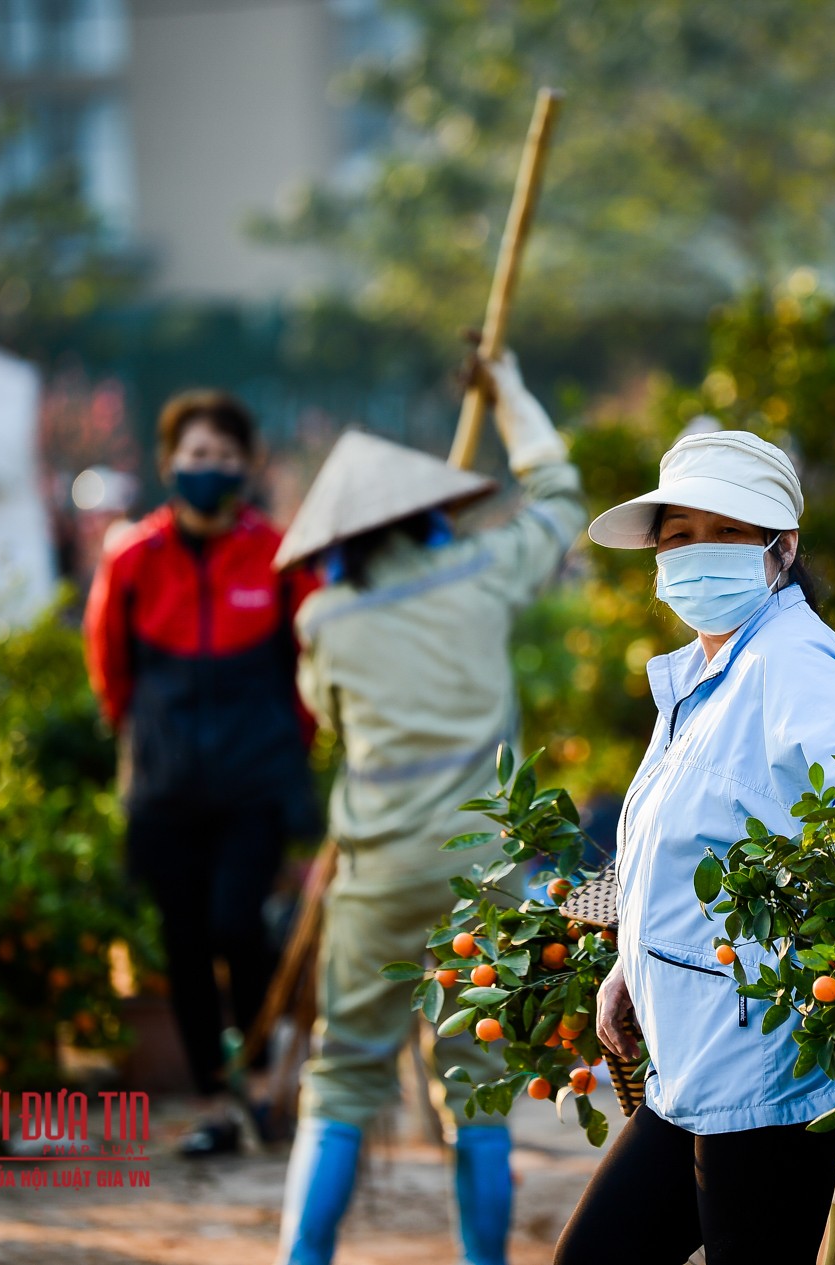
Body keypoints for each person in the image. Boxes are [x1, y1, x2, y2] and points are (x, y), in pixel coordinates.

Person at [555, 430, 835, 1265]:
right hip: (694, 1065)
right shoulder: (699, 675)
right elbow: (686, 846)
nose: (696, 553)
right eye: (679, 535)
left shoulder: (791, 663)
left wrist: (813, 954)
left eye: (725, 532)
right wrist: (628, 965)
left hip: (763, 1070)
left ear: (781, 548)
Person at [272, 352, 583, 1265]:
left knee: (339, 1080)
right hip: (480, 875)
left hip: (375, 875)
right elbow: (561, 494)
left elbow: (327, 716)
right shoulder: (482, 570)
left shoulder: (322, 619)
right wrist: (512, 394)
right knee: (476, 1084)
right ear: (426, 514)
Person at [84, 390, 320, 1154]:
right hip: (165, 788)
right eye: (195, 458)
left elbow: (313, 666)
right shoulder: (132, 558)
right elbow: (109, 670)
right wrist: (148, 745)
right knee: (183, 943)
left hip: (254, 785)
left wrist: (289, 748)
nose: (209, 470)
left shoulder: (281, 556)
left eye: (223, 457)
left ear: (248, 465)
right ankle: (218, 1103)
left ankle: (257, 1077)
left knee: (235, 924)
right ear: (168, 466)